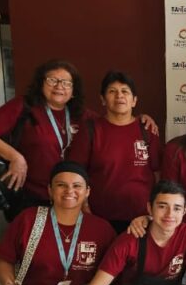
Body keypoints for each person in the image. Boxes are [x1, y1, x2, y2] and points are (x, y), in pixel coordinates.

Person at [0, 59, 157, 221]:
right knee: (31, 250)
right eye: (52, 80)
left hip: (69, 199)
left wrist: (141, 118)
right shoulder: (24, 107)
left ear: (73, 90)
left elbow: (114, 121)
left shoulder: (82, 115)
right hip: (33, 196)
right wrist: (15, 157)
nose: (59, 86)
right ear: (40, 83)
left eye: (66, 83)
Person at [68, 71, 162, 233]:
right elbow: (75, 172)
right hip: (100, 215)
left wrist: (155, 210)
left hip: (141, 218)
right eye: (112, 91)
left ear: (134, 101)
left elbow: (158, 171)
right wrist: (83, 205)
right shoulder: (90, 129)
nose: (119, 96)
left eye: (125, 91)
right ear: (103, 99)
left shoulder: (147, 129)